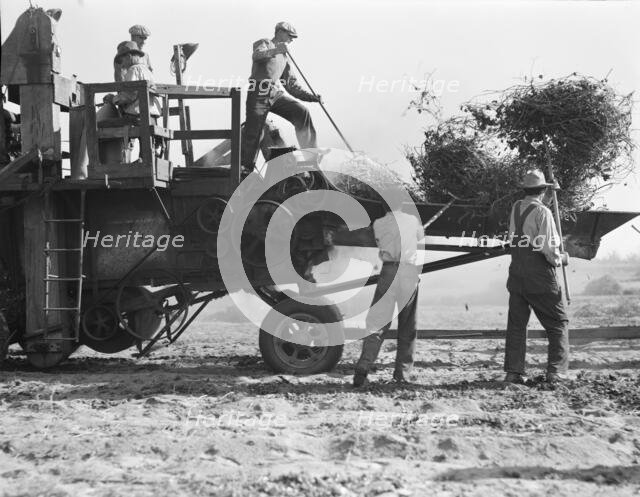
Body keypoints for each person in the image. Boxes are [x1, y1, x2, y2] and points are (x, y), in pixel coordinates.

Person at [504, 169, 570, 385]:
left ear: (526, 190)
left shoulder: (516, 208)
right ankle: (556, 372)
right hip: (539, 276)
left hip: (517, 276)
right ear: (542, 191)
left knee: (516, 325)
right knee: (558, 323)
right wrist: (562, 258)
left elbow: (529, 232)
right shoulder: (544, 213)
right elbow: (549, 250)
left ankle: (514, 373)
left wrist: (550, 195)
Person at [353, 188, 423, 387]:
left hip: (389, 272)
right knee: (408, 326)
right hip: (408, 273)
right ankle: (402, 375)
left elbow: (377, 241)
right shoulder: (411, 221)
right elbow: (419, 236)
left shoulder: (378, 224)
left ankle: (364, 365)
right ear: (402, 204)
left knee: (377, 323)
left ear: (383, 206)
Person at [242, 21, 322, 172]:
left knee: (301, 112)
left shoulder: (285, 57)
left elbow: (291, 85)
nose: (291, 40)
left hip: (275, 93)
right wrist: (276, 50)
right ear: (280, 32)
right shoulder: (265, 43)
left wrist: (312, 97)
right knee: (254, 131)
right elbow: (257, 56)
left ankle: (312, 159)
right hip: (258, 91)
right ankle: (245, 169)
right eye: (290, 36)